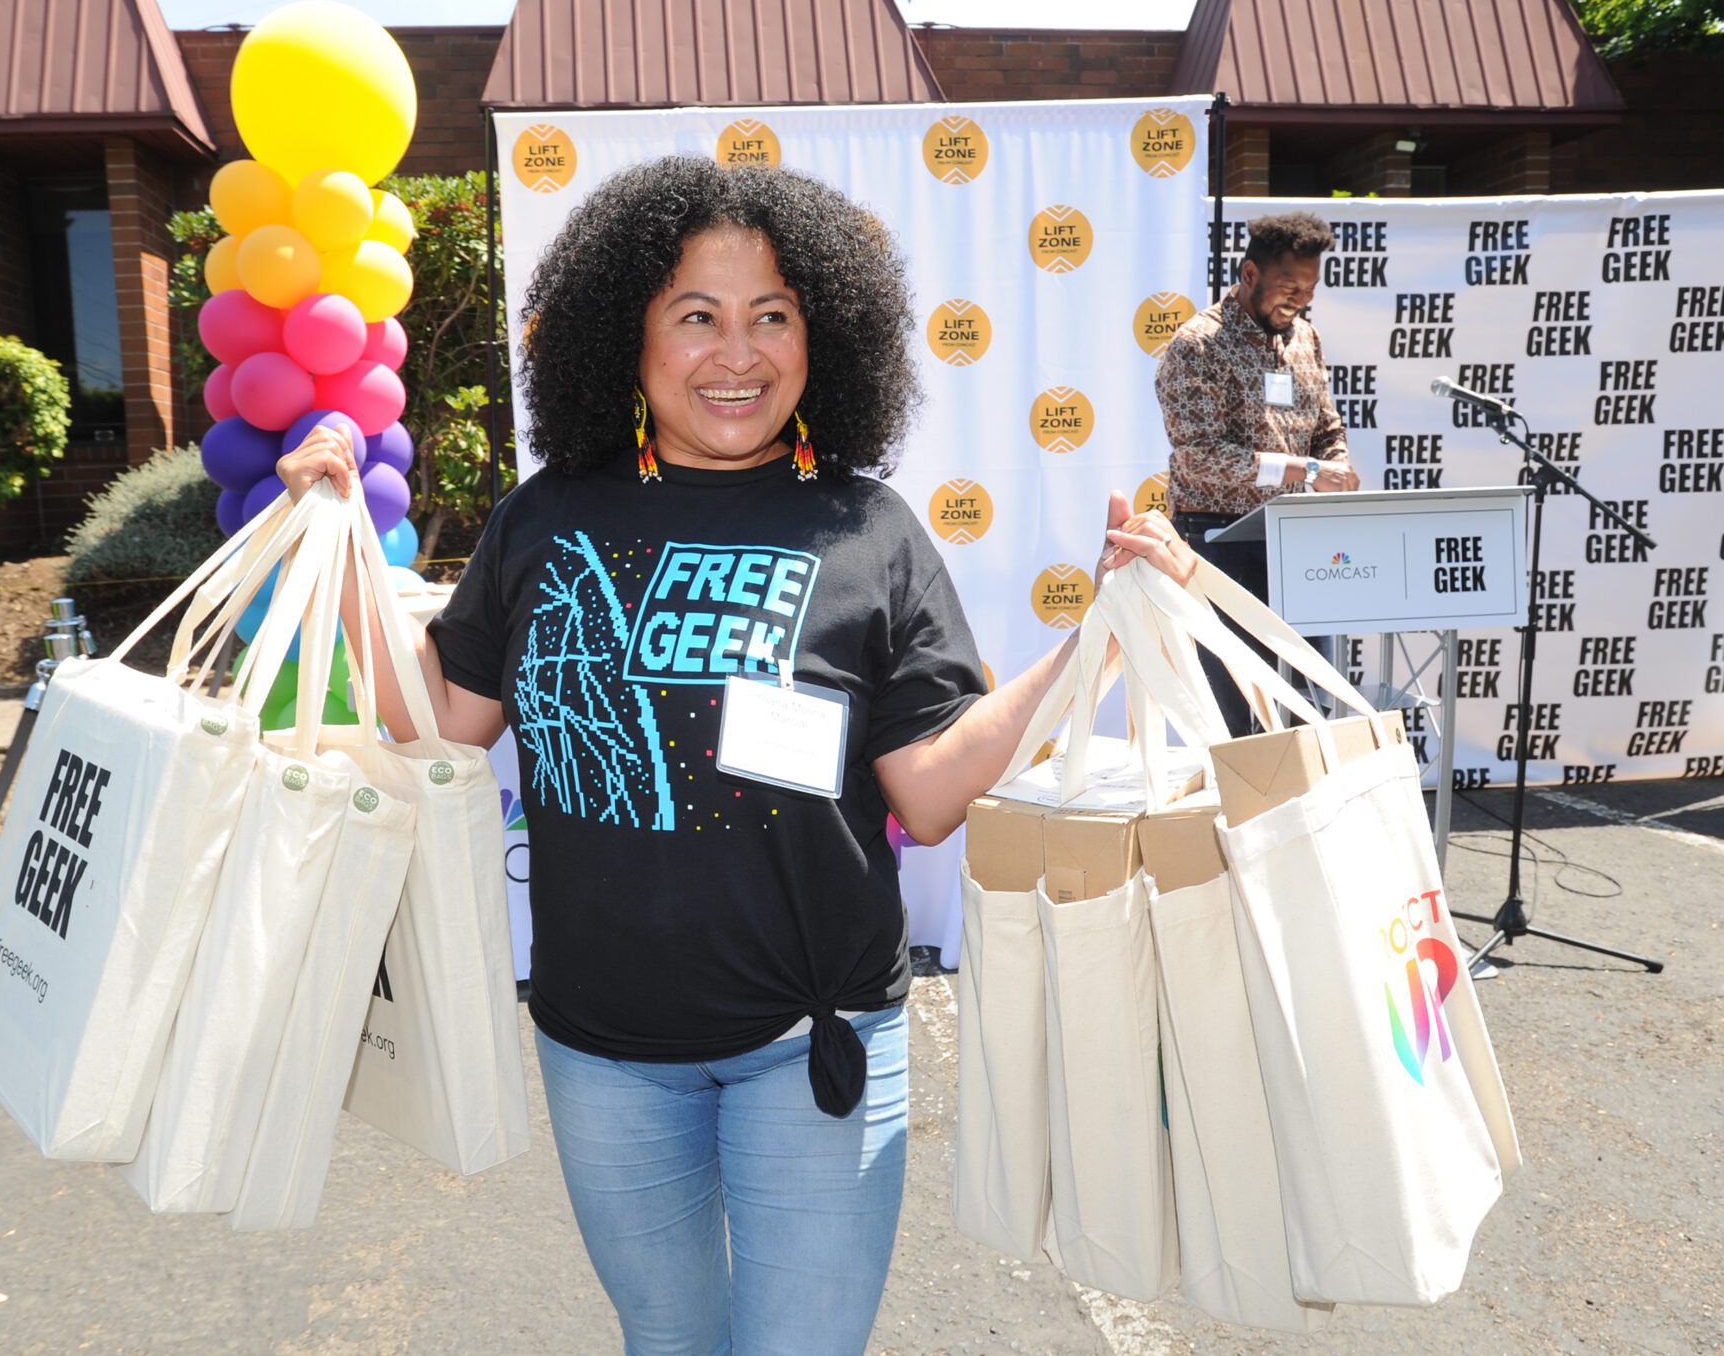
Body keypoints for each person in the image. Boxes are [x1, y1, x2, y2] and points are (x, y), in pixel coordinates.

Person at [278, 155, 1196, 1356]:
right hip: (601, 1050)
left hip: (807, 1046)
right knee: (668, 1342)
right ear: (630, 336)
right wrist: (339, 538)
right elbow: (444, 716)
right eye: (696, 315)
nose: (737, 353)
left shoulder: (867, 527)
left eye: (772, 315)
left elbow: (924, 787)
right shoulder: (548, 513)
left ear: (822, 338)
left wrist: (1096, 643)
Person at [1154, 210, 1358, 735]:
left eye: (1308, 290)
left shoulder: (1306, 340)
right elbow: (1198, 455)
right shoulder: (1198, 345)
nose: (1298, 301)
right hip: (1220, 543)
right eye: (1288, 287)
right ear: (1249, 275)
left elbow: (1327, 428)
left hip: (1298, 545)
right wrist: (1304, 469)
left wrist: (1335, 463)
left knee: (1309, 704)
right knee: (1237, 712)